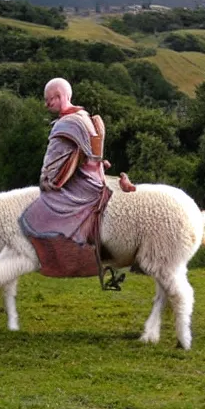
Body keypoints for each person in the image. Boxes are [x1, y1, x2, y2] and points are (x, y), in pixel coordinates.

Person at [19, 77, 134, 280]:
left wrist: (46, 182)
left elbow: (52, 166)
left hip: (85, 182)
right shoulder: (84, 116)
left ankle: (59, 260)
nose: (46, 105)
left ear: (61, 97)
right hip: (94, 174)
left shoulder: (67, 124)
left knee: (33, 215)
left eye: (49, 100)